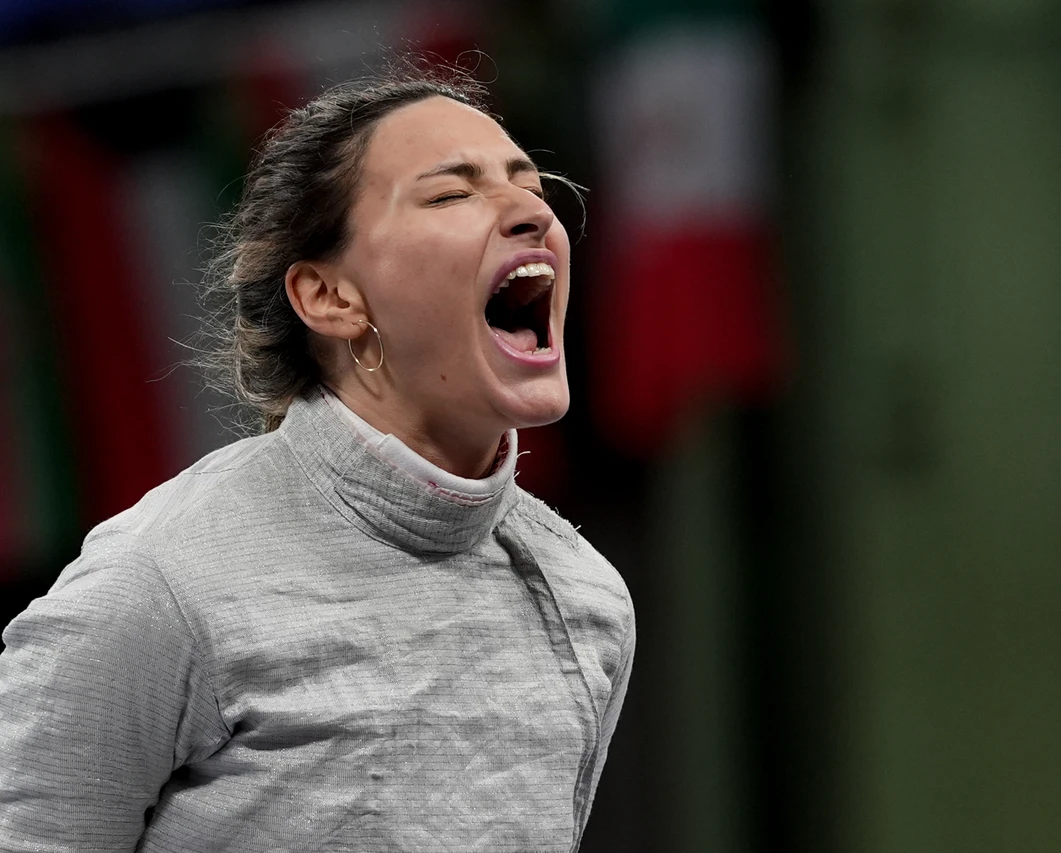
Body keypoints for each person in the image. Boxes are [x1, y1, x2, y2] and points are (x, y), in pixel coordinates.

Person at [0, 62, 635, 852]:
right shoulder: (160, 581)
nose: (530, 212)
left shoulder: (583, 595)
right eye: (450, 193)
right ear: (331, 298)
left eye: (529, 185)